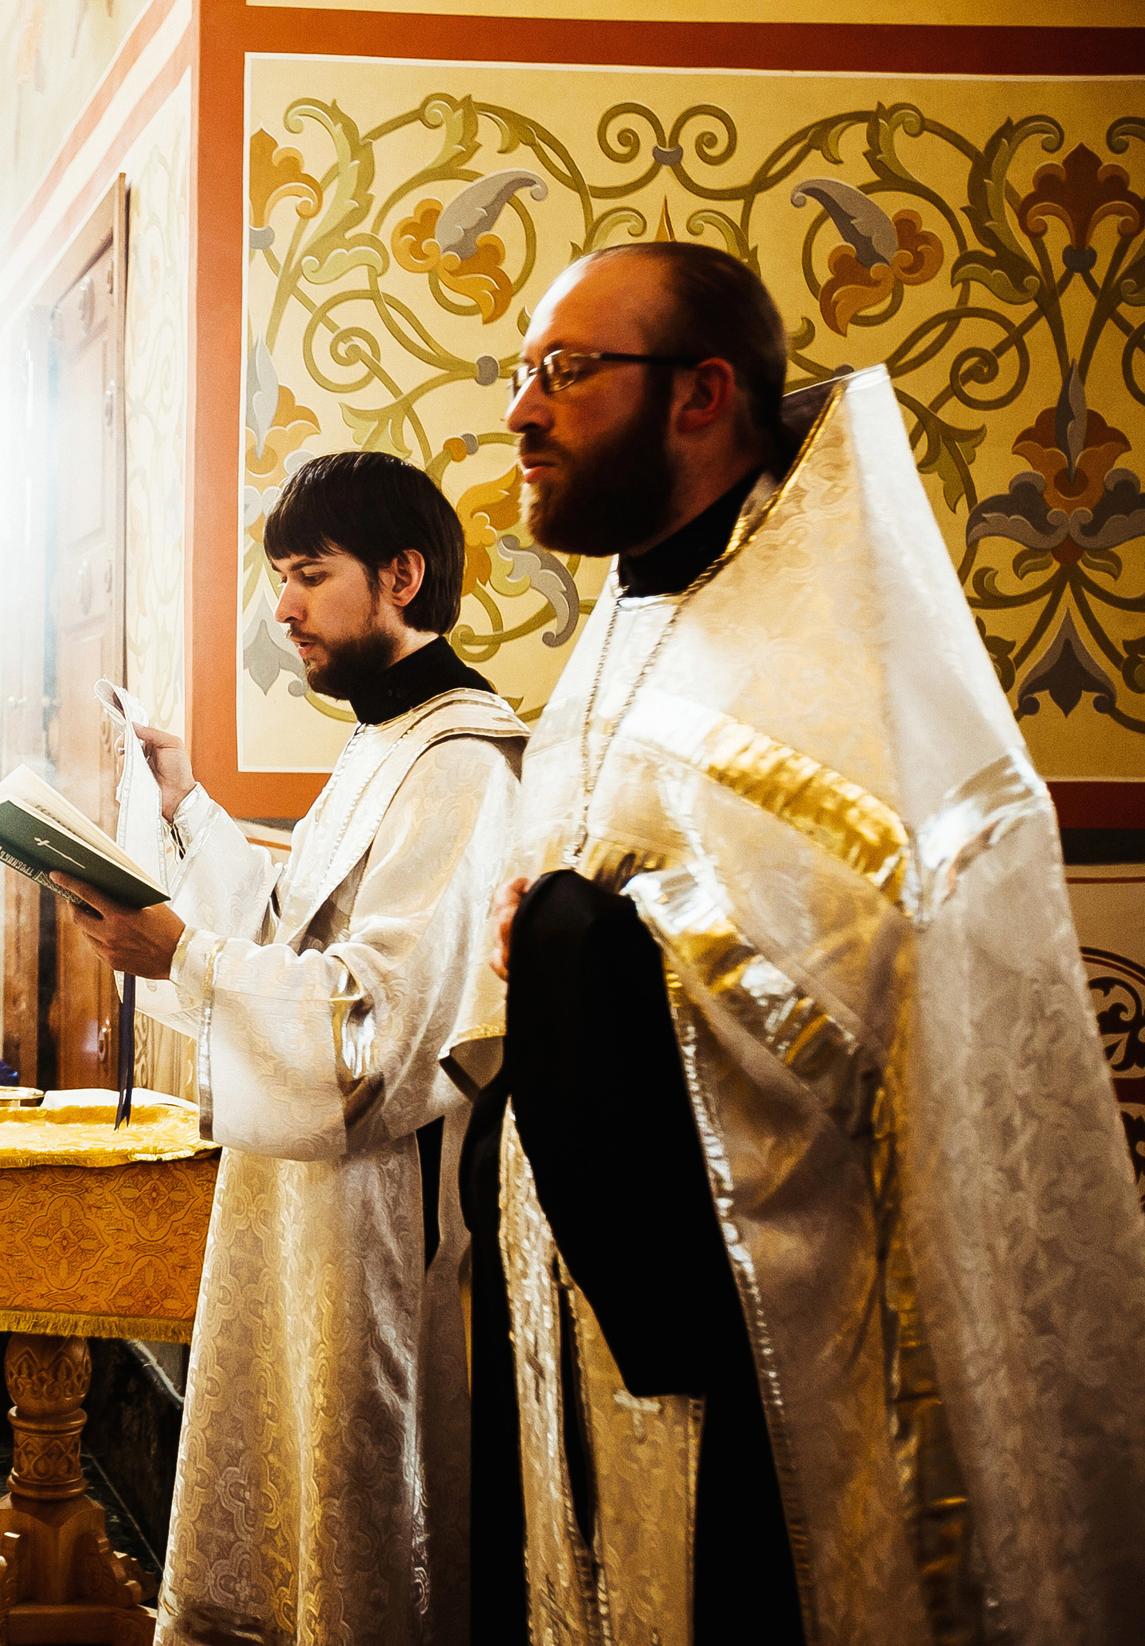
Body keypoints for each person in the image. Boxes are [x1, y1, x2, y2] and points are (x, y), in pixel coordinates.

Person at [456, 241, 1145, 1645]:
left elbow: (876, 987)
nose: (521, 412)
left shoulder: (835, 662)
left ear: (702, 393)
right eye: (523, 372)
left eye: (567, 370)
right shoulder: (632, 617)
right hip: (584, 1301)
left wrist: (586, 938)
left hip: (778, 1339)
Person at [56, 449, 523, 1646]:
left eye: (308, 575)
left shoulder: (465, 766)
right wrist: (183, 806)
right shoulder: (384, 744)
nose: (282, 609)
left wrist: (182, 957)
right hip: (300, 1203)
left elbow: (378, 1030)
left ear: (401, 576)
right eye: (279, 578)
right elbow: (287, 931)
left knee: (359, 1516)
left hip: (380, 1215)